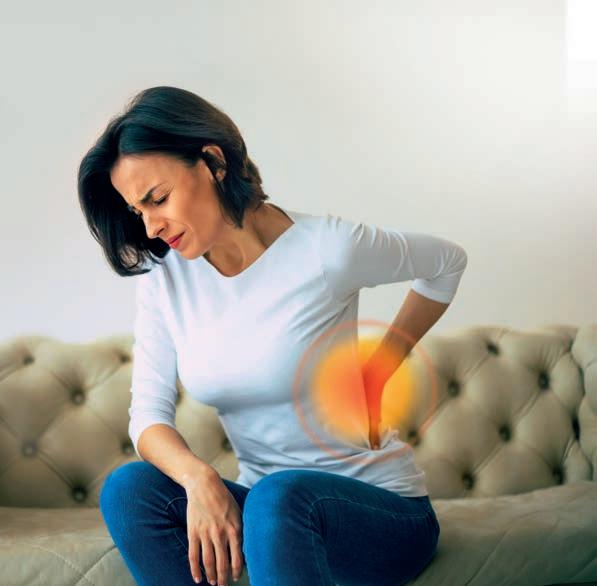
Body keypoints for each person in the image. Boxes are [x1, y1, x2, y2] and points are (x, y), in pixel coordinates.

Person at [78, 86, 467, 586]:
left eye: (158, 199)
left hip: (379, 513)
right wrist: (198, 479)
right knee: (129, 489)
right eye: (138, 211)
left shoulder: (327, 249)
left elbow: (446, 263)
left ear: (213, 162)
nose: (151, 227)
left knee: (278, 497)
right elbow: (147, 419)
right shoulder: (166, 277)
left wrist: (381, 366)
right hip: (269, 517)